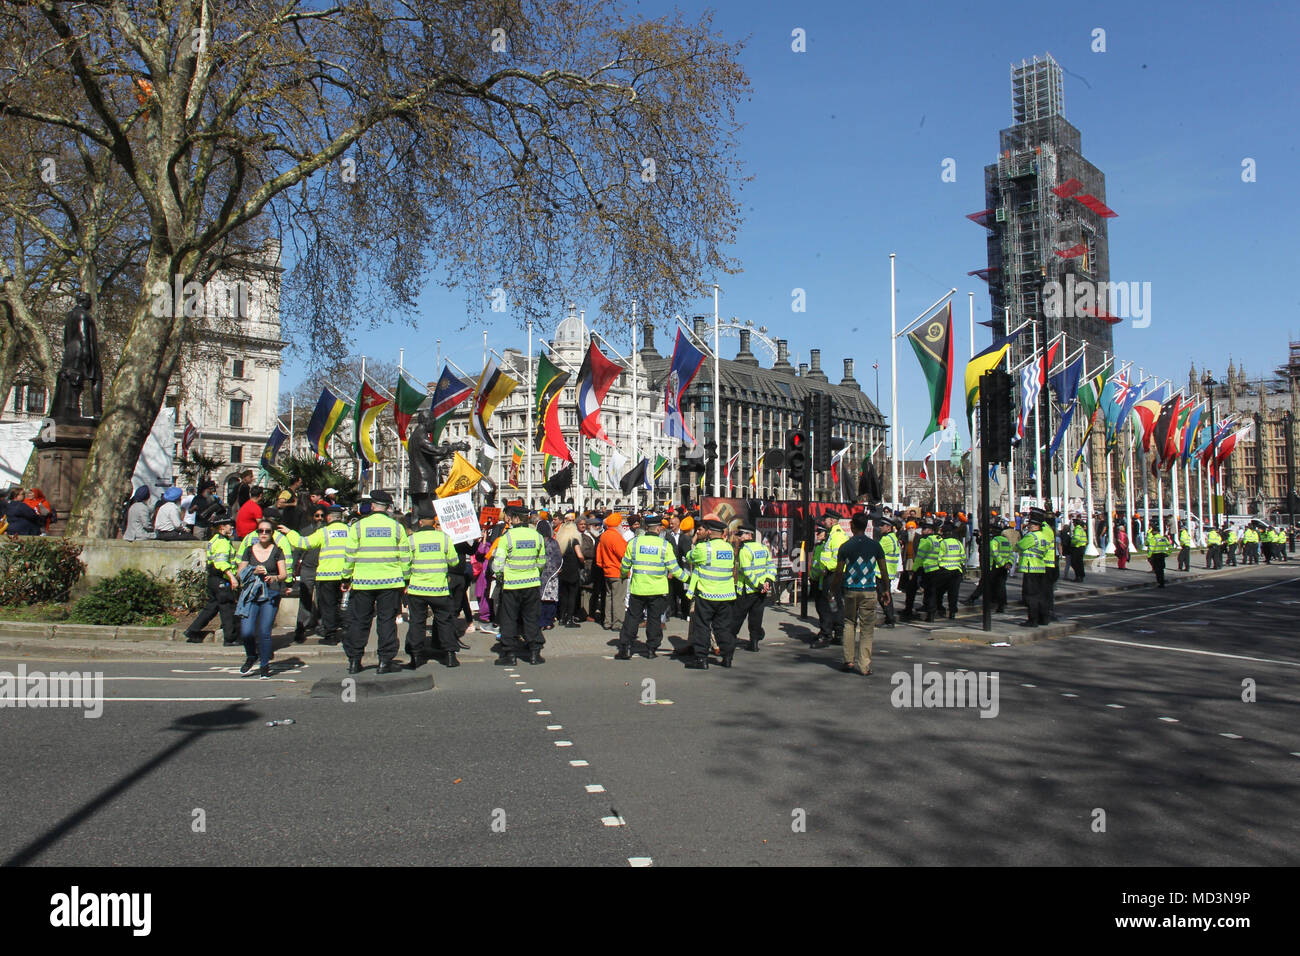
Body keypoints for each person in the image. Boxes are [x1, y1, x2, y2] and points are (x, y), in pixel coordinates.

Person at [341, 490, 411, 674]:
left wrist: (346, 577)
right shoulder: (397, 527)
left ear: (372, 506)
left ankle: (355, 660)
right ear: (388, 508)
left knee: (359, 622)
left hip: (363, 582)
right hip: (390, 582)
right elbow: (405, 555)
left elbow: (349, 555)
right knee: (386, 621)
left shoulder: (358, 526)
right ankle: (385, 661)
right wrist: (405, 579)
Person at [615, 514, 687, 660]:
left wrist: (623, 575)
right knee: (654, 619)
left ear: (645, 528)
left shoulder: (634, 543)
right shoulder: (664, 545)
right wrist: (689, 579)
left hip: (638, 588)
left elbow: (625, 564)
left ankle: (626, 647)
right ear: (659, 528)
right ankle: (651, 649)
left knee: (632, 618)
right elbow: (675, 569)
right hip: (658, 590)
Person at [831, 512, 891, 675]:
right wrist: (886, 589)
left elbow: (838, 572)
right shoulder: (875, 546)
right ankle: (864, 665)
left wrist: (833, 589)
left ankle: (848, 660)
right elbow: (883, 570)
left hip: (850, 589)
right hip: (869, 589)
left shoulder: (846, 546)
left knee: (849, 623)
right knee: (867, 627)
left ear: (852, 526)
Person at [405, 501, 460, 668]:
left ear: (420, 522)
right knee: (445, 621)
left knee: (417, 622)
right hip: (439, 588)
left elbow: (405, 565)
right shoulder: (444, 538)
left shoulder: (412, 540)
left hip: (417, 588)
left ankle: (415, 656)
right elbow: (454, 561)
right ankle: (450, 655)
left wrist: (407, 581)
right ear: (434, 521)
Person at [495, 506, 548, 666]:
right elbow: (542, 561)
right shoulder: (537, 536)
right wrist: (534, 574)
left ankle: (509, 654)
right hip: (531, 583)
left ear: (515, 519)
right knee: (531, 618)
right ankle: (534, 653)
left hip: (512, 584)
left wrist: (500, 576)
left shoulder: (507, 537)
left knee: (509, 619)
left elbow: (498, 564)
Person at [235, 519, 287, 678]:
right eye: (260, 531)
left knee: (264, 631)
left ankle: (264, 665)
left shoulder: (277, 551)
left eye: (267, 531)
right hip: (251, 594)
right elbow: (239, 573)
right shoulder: (249, 550)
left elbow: (283, 574)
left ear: (272, 534)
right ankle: (251, 655)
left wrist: (274, 578)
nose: (263, 534)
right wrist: (253, 570)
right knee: (247, 631)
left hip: (270, 594)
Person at [684, 518, 737, 669]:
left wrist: (694, 541)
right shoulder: (729, 548)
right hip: (726, 595)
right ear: (722, 533)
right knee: (723, 627)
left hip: (707, 594)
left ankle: (701, 659)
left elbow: (689, 556)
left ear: (708, 532)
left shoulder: (704, 548)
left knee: (702, 626)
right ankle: (727, 656)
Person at [183, 511, 239, 644]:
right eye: (229, 525)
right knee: (227, 607)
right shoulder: (222, 542)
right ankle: (230, 638)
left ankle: (193, 630)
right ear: (222, 527)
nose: (232, 527)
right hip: (221, 578)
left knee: (213, 606)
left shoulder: (214, 540)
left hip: (213, 579)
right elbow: (221, 562)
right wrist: (232, 577)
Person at [301, 504, 351, 645]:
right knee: (345, 604)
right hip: (345, 575)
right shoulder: (350, 530)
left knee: (328, 606)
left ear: (328, 517)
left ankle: (331, 635)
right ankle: (347, 632)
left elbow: (304, 543)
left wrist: (287, 533)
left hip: (327, 576)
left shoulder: (324, 531)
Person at [734, 524, 775, 651]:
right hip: (761, 591)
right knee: (756, 617)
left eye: (741, 535)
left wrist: (759, 584)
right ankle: (754, 643)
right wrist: (767, 581)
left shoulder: (745, 550)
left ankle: (729, 639)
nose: (739, 538)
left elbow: (747, 571)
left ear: (749, 535)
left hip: (748, 590)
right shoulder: (763, 547)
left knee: (737, 616)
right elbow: (771, 566)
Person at [292, 503, 326, 642]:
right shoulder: (305, 531)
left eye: (322, 516)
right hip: (308, 569)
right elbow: (298, 550)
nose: (320, 518)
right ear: (312, 517)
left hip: (323, 569)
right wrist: (293, 568)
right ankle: (301, 628)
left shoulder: (327, 531)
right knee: (305, 599)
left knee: (322, 600)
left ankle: (322, 626)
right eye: (317, 516)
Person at [813, 511, 848, 644]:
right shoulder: (833, 534)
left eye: (826, 519)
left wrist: (827, 568)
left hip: (832, 574)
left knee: (828, 604)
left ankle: (827, 633)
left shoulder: (837, 536)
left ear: (832, 520)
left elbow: (838, 558)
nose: (824, 521)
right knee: (833, 603)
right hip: (831, 574)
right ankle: (837, 633)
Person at [1016, 509, 1050, 627]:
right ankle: (1043, 618)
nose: (1028, 526)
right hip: (1040, 567)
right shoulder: (1043, 536)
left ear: (1035, 526)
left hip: (1031, 567)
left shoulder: (1031, 536)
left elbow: (1019, 546)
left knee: (1031, 596)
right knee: (1041, 595)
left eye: (1030, 524)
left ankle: (1032, 620)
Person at [596, 513, 629, 633]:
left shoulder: (604, 536)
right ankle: (618, 623)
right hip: (618, 571)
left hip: (607, 571)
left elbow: (598, 556)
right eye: (621, 523)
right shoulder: (616, 537)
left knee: (609, 597)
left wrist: (604, 565)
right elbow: (623, 555)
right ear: (617, 525)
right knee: (618, 599)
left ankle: (607, 621)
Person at [928, 522, 965, 621]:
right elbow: (963, 557)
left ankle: (936, 610)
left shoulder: (943, 543)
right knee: (953, 593)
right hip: (956, 571)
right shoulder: (958, 543)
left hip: (944, 571)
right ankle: (952, 613)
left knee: (937, 592)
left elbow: (938, 558)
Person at [555, 515, 585, 627]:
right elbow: (580, 555)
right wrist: (583, 562)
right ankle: (569, 619)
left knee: (564, 595)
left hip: (563, 570)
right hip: (573, 570)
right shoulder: (574, 540)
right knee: (573, 595)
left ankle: (562, 617)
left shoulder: (561, 541)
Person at [875, 516, 901, 627]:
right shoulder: (893, 538)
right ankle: (889, 618)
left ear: (889, 527)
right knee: (885, 595)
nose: (880, 527)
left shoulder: (886, 539)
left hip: (882, 572)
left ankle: (890, 619)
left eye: (882, 525)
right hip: (889, 572)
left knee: (884, 597)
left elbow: (876, 552)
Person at [538, 519, 562, 630]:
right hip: (552, 575)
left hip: (540, 573)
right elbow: (559, 558)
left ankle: (541, 621)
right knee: (551, 599)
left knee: (540, 599)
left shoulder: (538, 542)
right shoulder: (553, 542)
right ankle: (548, 621)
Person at [1070, 518, 1088, 583]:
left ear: (1075, 523)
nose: (1073, 524)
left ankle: (1078, 576)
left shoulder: (1077, 529)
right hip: (1082, 547)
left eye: (1073, 523)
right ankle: (1081, 576)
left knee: (1074, 562)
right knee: (1080, 562)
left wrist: (1072, 543)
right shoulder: (1081, 529)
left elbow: (1076, 538)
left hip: (1077, 547)